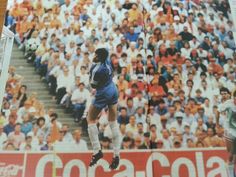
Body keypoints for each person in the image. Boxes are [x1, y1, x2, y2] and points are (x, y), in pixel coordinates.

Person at [86, 48, 120, 169]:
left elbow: (93, 85)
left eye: (95, 54)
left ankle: (97, 151)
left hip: (103, 92)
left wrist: (90, 72)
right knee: (113, 122)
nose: (93, 55)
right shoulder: (108, 60)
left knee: (90, 118)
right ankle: (116, 155)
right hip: (113, 89)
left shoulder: (96, 69)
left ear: (99, 57)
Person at [216, 89, 236, 177]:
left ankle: (230, 167)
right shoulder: (228, 103)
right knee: (232, 153)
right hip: (229, 130)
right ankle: (230, 169)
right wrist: (217, 126)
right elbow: (217, 111)